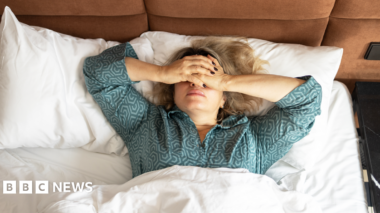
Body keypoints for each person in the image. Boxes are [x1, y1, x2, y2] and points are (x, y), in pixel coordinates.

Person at [83, 36, 322, 179]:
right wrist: (162, 73)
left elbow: (307, 99)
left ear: (224, 98)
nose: (196, 82)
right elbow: (97, 72)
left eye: (207, 77)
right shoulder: (144, 123)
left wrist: (226, 80)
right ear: (172, 89)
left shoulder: (255, 139)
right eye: (185, 76)